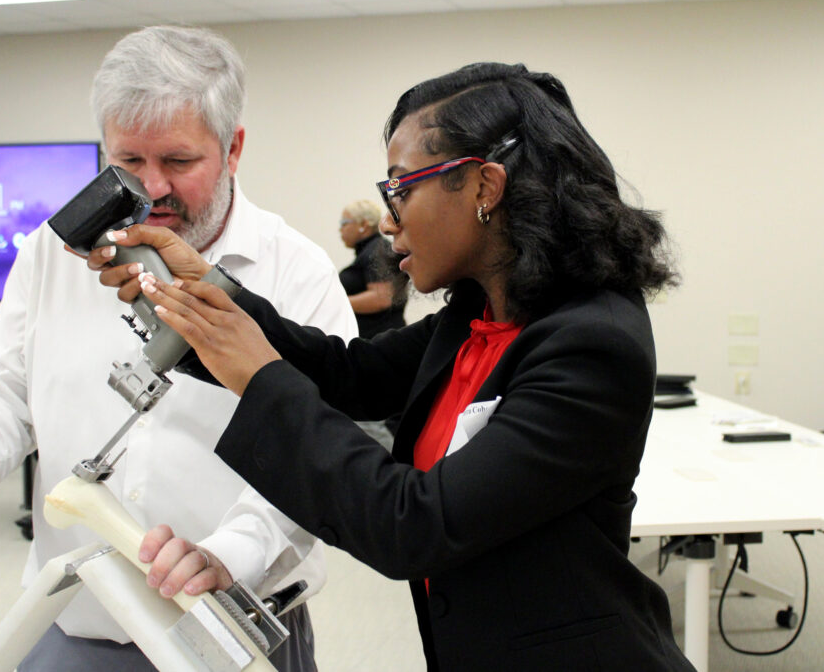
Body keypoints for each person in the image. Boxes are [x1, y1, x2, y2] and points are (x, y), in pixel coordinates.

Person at [93, 62, 694, 670]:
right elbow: (350, 374)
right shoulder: (480, 312)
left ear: (484, 187)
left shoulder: (593, 343)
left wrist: (258, 378)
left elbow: (415, 526)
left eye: (400, 188)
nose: (387, 219)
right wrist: (209, 299)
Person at [0, 25, 357, 672]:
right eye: (128, 162)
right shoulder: (53, 254)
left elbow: (324, 450)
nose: (151, 189)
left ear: (233, 149)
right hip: (74, 622)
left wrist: (229, 552)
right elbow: (4, 384)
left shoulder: (297, 274)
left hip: (228, 629)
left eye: (179, 163)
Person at [337, 198, 408, 339]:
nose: (340, 229)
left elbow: (381, 298)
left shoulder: (377, 250)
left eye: (344, 223)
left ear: (363, 224)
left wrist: (335, 302)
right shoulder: (372, 250)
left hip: (381, 342)